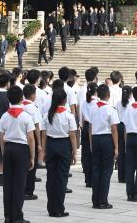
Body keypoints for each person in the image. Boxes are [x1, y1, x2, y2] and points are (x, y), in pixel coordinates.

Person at [0, 85, 36, 223]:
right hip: (21, 150)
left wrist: (4, 152)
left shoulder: (5, 115)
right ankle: (17, 216)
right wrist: (32, 156)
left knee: (8, 183)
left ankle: (8, 215)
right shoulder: (26, 116)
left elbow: (1, 136)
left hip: (8, 148)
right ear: (21, 98)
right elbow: (30, 138)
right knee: (19, 184)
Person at [43, 86, 77, 218]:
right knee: (62, 178)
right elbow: (72, 135)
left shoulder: (48, 114)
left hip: (51, 145)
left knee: (51, 177)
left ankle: (51, 208)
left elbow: (44, 134)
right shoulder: (68, 115)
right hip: (64, 145)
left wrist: (44, 150)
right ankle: (59, 208)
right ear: (65, 100)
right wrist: (74, 152)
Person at [89, 83, 119, 210]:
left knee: (96, 169)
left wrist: (91, 143)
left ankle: (95, 200)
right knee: (106, 170)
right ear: (108, 95)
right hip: (106, 140)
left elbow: (90, 127)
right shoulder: (111, 110)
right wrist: (116, 147)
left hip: (95, 139)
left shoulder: (92, 108)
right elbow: (114, 130)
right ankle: (102, 200)